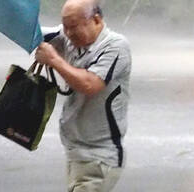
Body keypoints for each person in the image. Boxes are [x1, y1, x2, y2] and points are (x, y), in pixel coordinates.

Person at [35, 0, 132, 191]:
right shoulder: (67, 37)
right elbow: (33, 33)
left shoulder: (115, 46)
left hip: (100, 156)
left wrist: (54, 59)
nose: (69, 34)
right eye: (65, 27)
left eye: (74, 27)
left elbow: (90, 84)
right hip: (75, 152)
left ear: (96, 20)